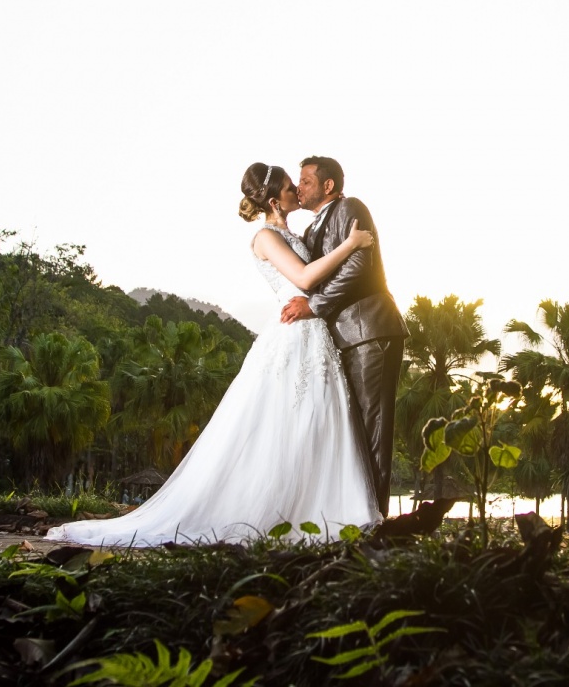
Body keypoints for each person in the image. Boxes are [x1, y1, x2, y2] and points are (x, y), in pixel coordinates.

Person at [45, 163, 383, 547]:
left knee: (318, 419)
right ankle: (272, 511)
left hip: (313, 333)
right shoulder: (265, 237)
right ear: (275, 201)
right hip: (292, 332)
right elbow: (305, 280)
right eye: (291, 187)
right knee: (282, 422)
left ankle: (321, 508)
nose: (297, 191)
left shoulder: (297, 232)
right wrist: (351, 245)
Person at [280, 156, 408, 516]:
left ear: (328, 186)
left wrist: (313, 305)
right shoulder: (308, 233)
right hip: (340, 340)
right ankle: (349, 518)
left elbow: (358, 266)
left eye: (305, 181)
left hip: (371, 333)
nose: (299, 187)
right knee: (350, 432)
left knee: (374, 427)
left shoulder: (351, 208)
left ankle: (376, 523)